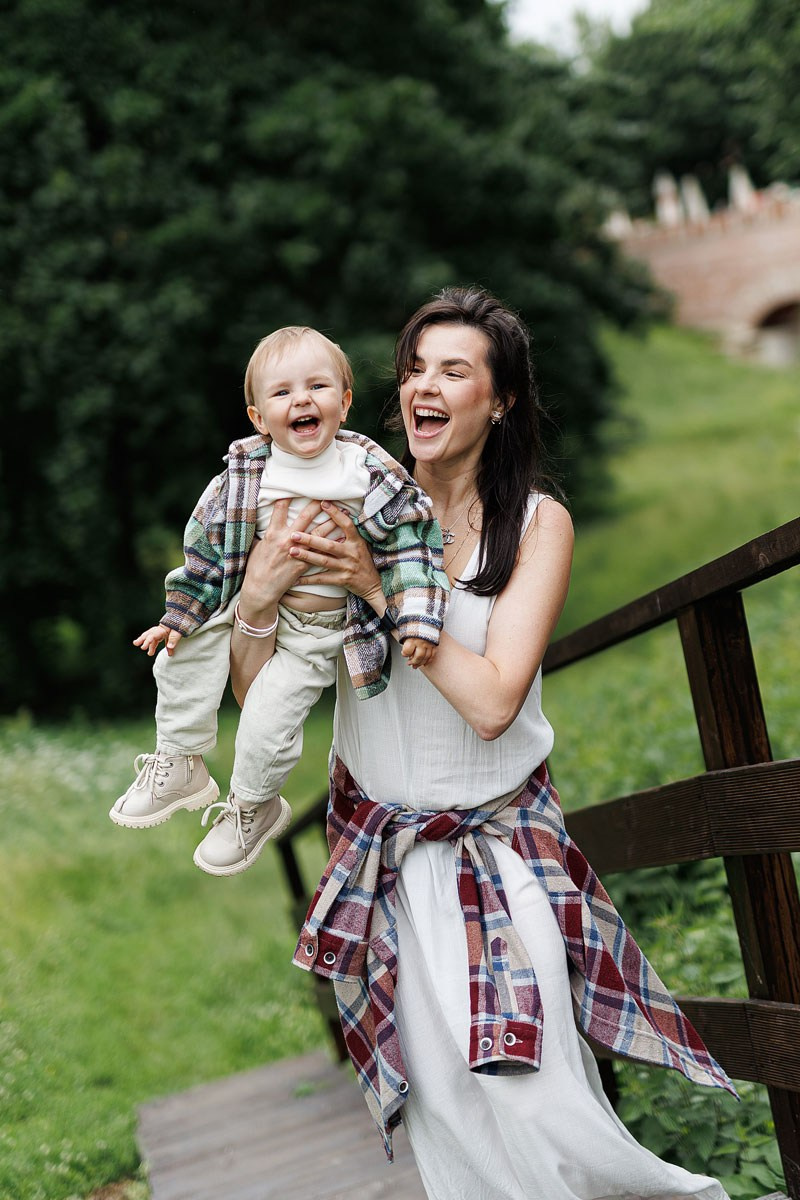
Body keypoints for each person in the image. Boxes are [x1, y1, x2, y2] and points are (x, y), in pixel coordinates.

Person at [230, 289, 734, 1199]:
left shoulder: (535, 526)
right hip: (386, 860)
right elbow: (257, 694)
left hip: (497, 854)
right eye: (415, 367)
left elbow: (495, 703)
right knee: (450, 1117)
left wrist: (383, 592)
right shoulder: (348, 503)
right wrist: (259, 599)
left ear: (499, 402)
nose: (424, 385)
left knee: (543, 1104)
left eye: (453, 370)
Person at [109, 326, 448, 877]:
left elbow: (413, 541)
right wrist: (179, 616)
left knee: (268, 721)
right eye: (283, 393)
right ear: (259, 419)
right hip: (244, 599)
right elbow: (208, 552)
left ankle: (254, 804)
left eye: (317, 386)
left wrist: (414, 619)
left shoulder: (367, 470)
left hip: (317, 630)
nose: (302, 400)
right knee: (178, 656)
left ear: (344, 401)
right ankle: (181, 759)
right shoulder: (245, 475)